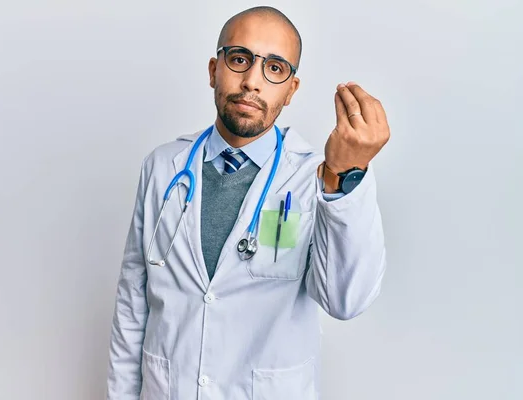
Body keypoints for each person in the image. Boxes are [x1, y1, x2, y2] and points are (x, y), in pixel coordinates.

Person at [106, 5, 390, 400]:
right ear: (213, 71)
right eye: (239, 59)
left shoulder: (315, 178)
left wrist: (347, 173)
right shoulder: (162, 167)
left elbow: (346, 300)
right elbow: (133, 302)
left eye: (275, 68)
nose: (252, 81)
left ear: (291, 90)